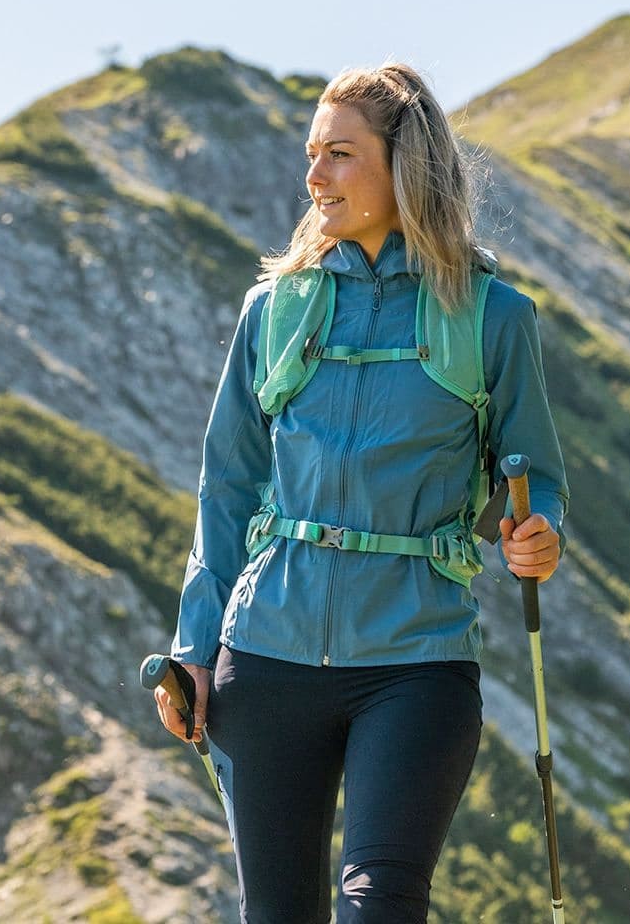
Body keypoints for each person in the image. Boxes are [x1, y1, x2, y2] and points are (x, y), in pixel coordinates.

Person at [153, 62, 569, 923]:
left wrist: (539, 532)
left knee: (380, 905)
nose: (314, 178)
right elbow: (227, 487)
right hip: (264, 656)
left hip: (416, 663)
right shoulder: (273, 311)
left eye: (339, 154)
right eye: (312, 155)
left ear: (403, 165)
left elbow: (537, 475)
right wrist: (195, 647)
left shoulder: (493, 315)